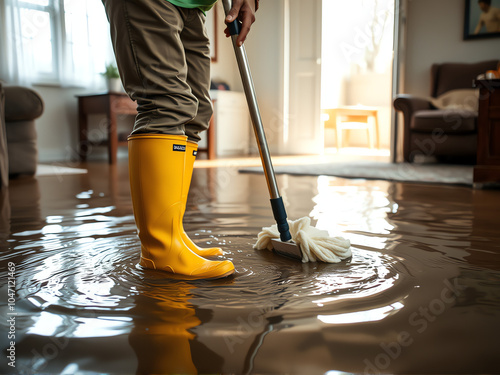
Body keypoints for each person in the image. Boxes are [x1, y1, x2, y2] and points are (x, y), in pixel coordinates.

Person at [102, 0, 258, 279]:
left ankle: (173, 232)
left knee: (197, 110)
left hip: (195, 5)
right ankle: (159, 248)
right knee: (166, 103)